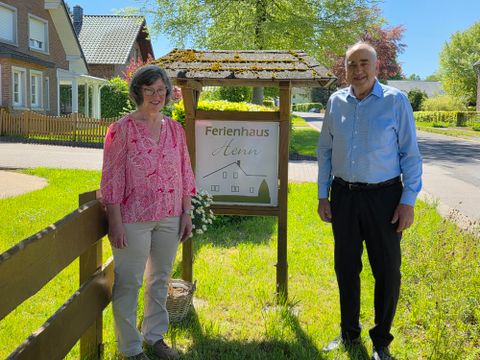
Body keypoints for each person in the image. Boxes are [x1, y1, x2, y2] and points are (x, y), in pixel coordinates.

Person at [317, 42, 422, 360]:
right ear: (344, 69)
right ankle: (349, 332)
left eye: (364, 63)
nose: (358, 70)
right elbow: (324, 150)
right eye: (352, 64)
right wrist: (324, 194)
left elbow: (410, 154)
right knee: (346, 267)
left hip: (385, 198)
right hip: (344, 195)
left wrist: (408, 200)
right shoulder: (336, 102)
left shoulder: (395, 101)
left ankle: (381, 341)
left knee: (387, 271)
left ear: (377, 67)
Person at [101, 65, 196, 360]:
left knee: (160, 279)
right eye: (150, 90)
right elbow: (112, 176)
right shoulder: (122, 129)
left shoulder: (175, 129)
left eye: (161, 90)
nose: (156, 96)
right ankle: (130, 348)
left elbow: (185, 172)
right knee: (129, 281)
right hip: (132, 218)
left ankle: (154, 335)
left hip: (169, 215)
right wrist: (114, 221)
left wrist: (187, 212)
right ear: (138, 92)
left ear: (167, 94)